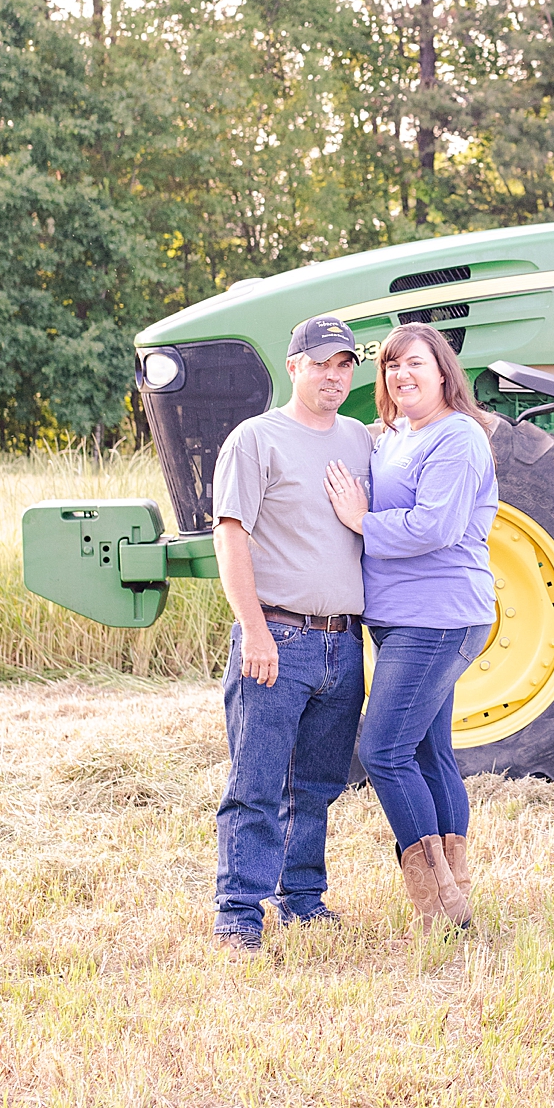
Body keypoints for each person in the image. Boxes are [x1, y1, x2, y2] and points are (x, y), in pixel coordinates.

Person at [324, 323, 497, 935]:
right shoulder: (398, 435)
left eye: (415, 364)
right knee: (427, 749)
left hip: (439, 615)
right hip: (403, 617)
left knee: (383, 750)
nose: (401, 375)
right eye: (392, 366)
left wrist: (361, 519)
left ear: (443, 371)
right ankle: (456, 899)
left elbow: (434, 528)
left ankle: (436, 906)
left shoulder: (457, 439)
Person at [210, 314, 372, 956]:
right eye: (322, 364)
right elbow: (230, 535)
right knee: (257, 781)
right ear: (294, 364)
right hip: (279, 636)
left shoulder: (359, 438)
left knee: (319, 783)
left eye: (345, 366)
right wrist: (254, 629)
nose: (334, 377)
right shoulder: (255, 440)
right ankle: (239, 910)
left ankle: (302, 898)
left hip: (343, 640)